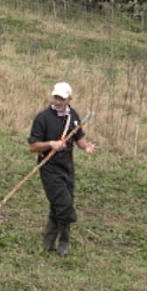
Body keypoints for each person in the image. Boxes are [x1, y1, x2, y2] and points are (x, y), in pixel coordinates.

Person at [27, 82, 96, 256]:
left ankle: (48, 241)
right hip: (49, 168)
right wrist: (51, 144)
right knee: (64, 206)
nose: (57, 101)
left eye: (61, 99)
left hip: (67, 168)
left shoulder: (73, 116)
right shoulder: (42, 118)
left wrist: (86, 147)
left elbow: (79, 139)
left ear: (69, 99)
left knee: (58, 205)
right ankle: (64, 241)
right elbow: (33, 146)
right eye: (56, 97)